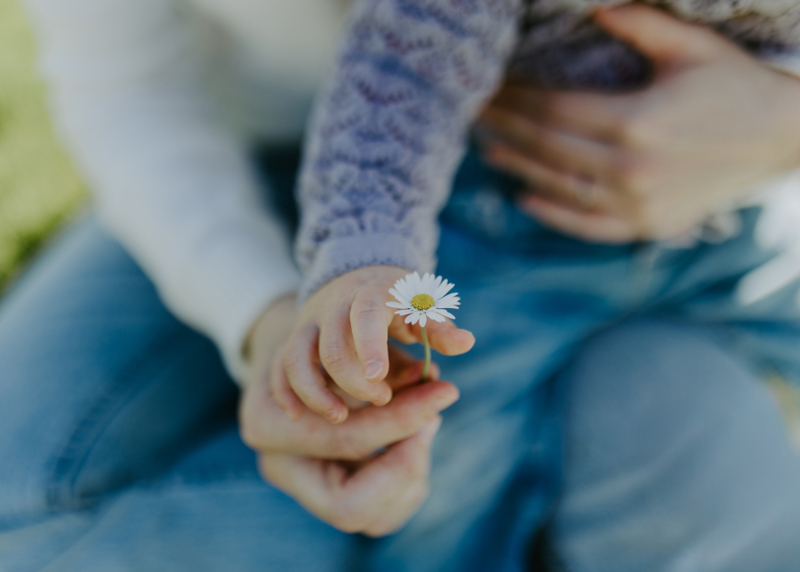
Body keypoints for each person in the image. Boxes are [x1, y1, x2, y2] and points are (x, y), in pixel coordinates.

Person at [1, 2, 800, 572]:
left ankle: (639, 432)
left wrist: (783, 124)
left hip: (736, 197)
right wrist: (275, 316)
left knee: (661, 422)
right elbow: (125, 87)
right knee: (441, 448)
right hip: (345, 178)